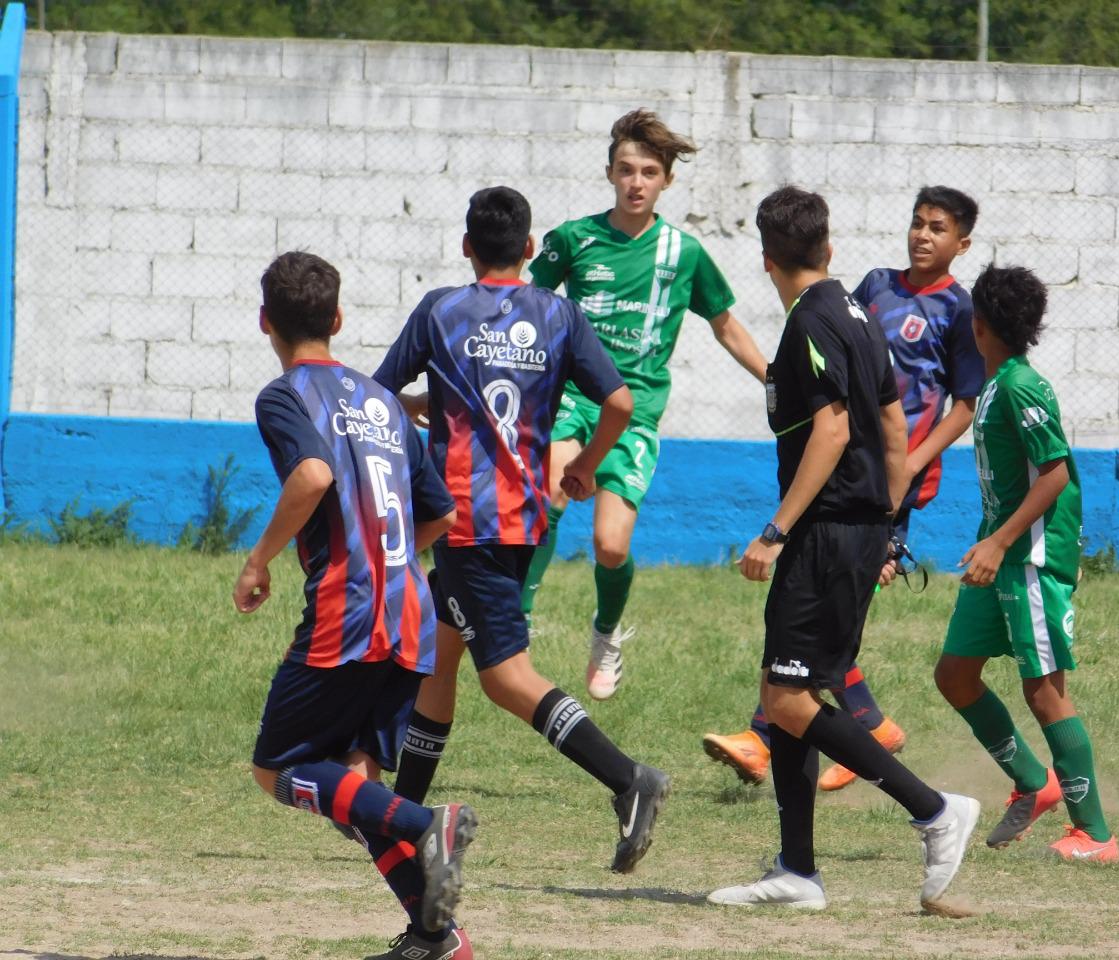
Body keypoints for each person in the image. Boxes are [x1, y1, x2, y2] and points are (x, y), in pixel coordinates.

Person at [373, 186, 671, 875]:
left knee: (507, 680)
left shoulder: (441, 310)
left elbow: (379, 393)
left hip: (467, 521)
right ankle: (398, 818)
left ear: (467, 247)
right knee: (438, 660)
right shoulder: (558, 313)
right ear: (531, 251)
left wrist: (418, 403)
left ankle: (629, 780)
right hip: (523, 518)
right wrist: (585, 468)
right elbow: (621, 403)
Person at [708, 187, 979, 913]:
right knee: (792, 689)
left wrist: (775, 531)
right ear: (827, 248)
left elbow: (832, 433)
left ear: (767, 262)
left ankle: (933, 809)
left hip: (825, 532)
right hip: (858, 530)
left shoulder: (811, 324)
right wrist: (890, 527)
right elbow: (894, 428)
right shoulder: (859, 312)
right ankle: (797, 871)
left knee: (786, 697)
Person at [234, 251, 476, 960]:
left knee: (277, 768)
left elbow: (310, 475)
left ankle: (429, 823)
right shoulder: (380, 399)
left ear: (264, 324)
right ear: (338, 320)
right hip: (410, 618)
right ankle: (434, 937)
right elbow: (441, 513)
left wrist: (258, 560)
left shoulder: (284, 396)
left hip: (348, 616)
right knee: (352, 781)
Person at [520, 108, 769, 700]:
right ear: (610, 173)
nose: (636, 182)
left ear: (666, 182)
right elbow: (523, 307)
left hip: (634, 412)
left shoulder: (682, 254)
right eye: (626, 170)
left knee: (611, 545)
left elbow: (725, 324)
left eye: (649, 172)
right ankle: (515, 618)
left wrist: (774, 377)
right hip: (572, 400)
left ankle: (606, 637)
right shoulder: (573, 240)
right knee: (550, 492)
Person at [934, 263, 1119, 863]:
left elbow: (1055, 475)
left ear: (979, 324)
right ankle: (1033, 782)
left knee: (1043, 691)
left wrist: (999, 542)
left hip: (1030, 556)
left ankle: (1095, 833)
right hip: (999, 551)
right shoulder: (993, 384)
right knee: (955, 675)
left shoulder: (1020, 386)